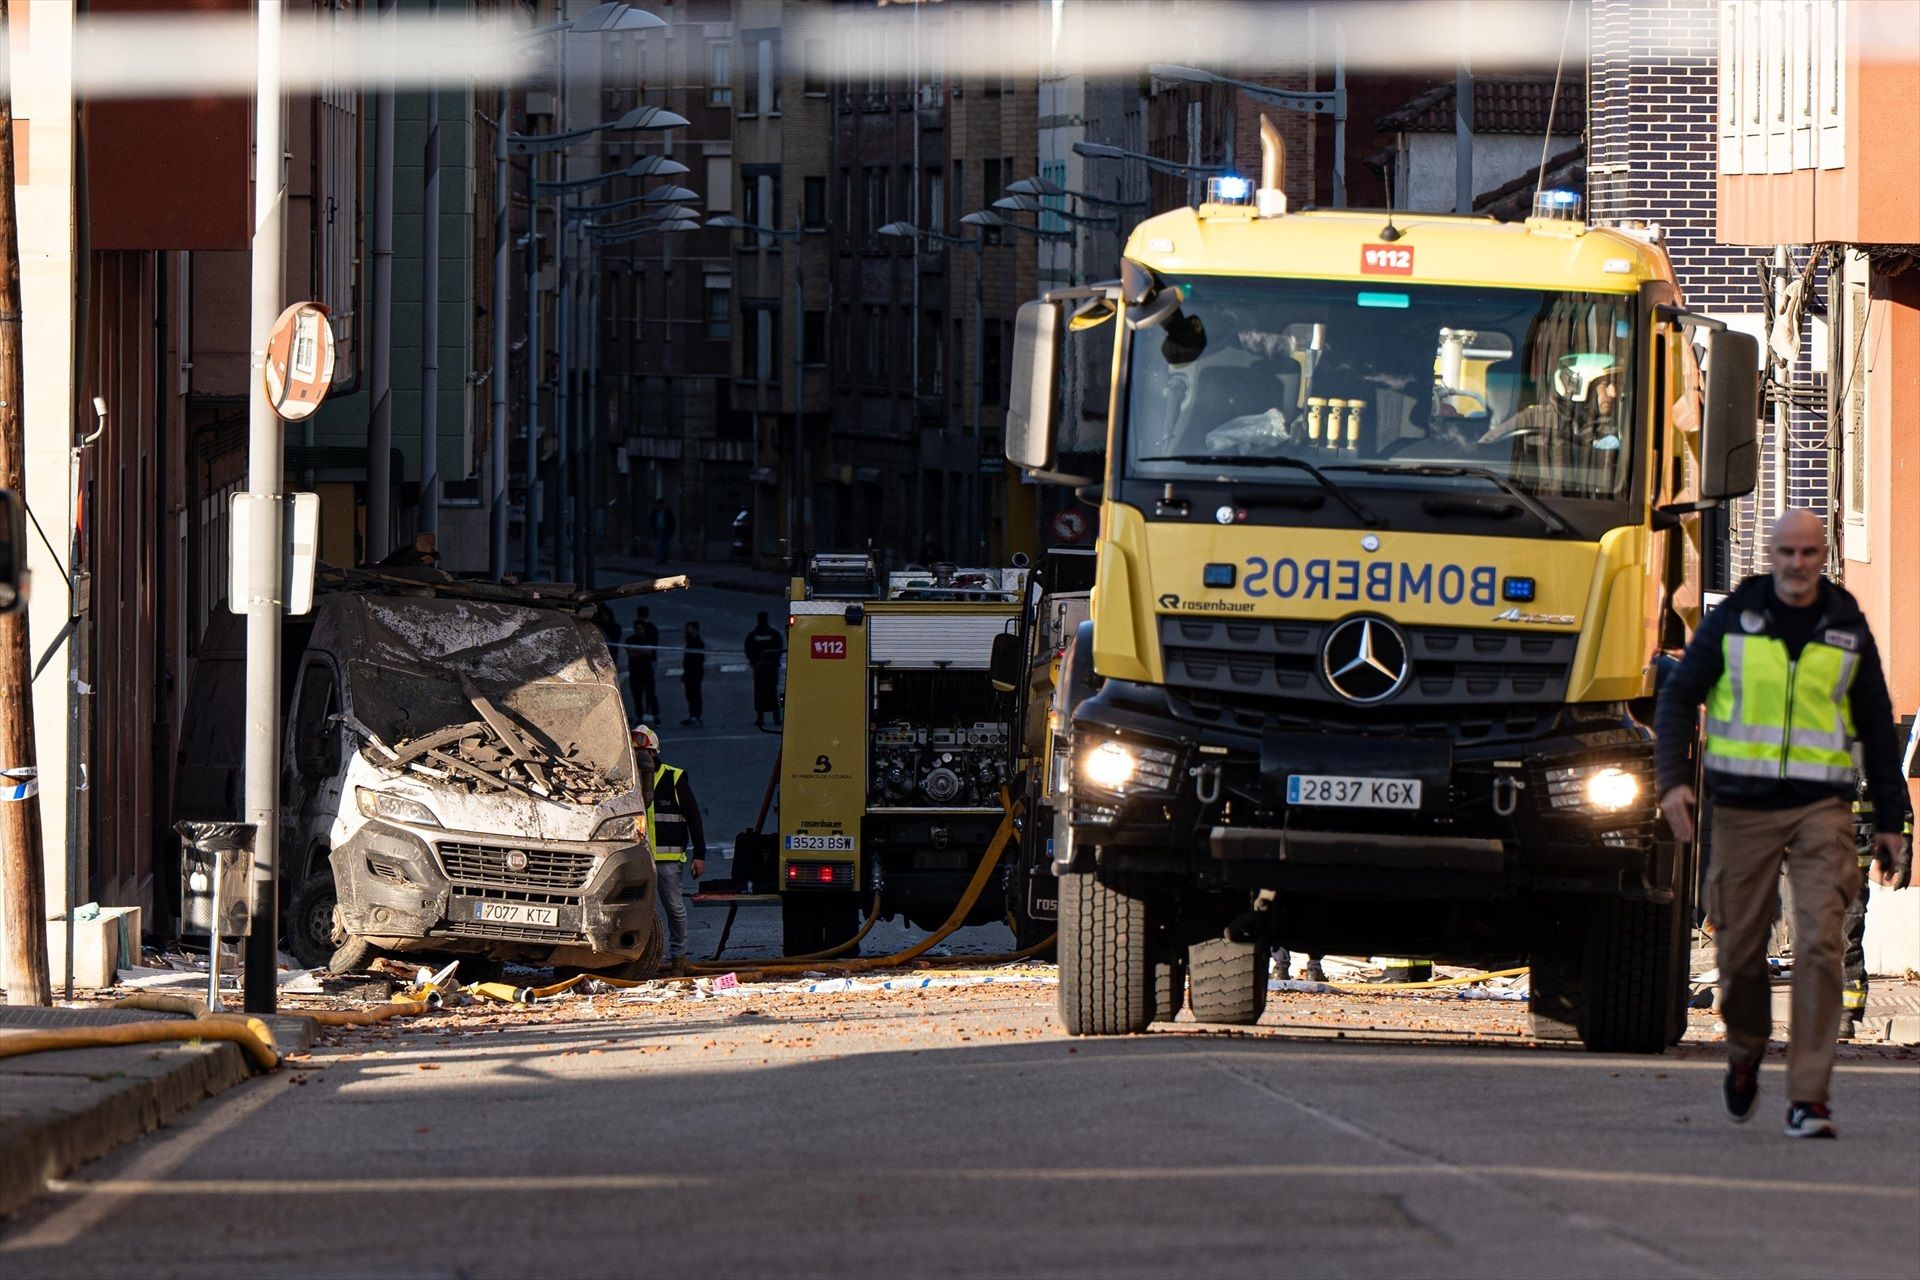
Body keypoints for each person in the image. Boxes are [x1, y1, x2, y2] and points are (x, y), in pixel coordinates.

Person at [1655, 509, 1911, 1138]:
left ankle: (1808, 1098)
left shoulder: (1845, 625)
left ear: (1824, 555)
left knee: (1823, 945)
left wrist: (1890, 817)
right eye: (1787, 553)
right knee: (1741, 950)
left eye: (1809, 553)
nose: (1798, 564)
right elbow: (1678, 697)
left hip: (1821, 807)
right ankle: (1745, 1050)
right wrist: (1673, 783)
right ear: (1770, 555)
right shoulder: (1735, 620)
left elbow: (1876, 723)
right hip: (1742, 808)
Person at [632, 724, 706, 973]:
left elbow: (694, 818)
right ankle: (637, 959)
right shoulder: (627, 782)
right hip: (635, 860)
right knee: (635, 912)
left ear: (653, 753)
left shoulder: (673, 778)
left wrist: (700, 856)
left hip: (667, 860)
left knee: (674, 908)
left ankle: (679, 958)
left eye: (643, 754)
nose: (639, 760)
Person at [744, 610, 784, 731]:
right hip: (771, 667)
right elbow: (779, 647)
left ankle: (760, 717)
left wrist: (753, 661)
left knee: (759, 692)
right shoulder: (774, 634)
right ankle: (776, 717)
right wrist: (775, 660)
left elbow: (748, 649)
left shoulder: (753, 635)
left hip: (759, 668)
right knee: (772, 691)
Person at [624, 608, 661, 723]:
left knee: (650, 693)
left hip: (646, 670)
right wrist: (641, 652)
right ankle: (639, 716)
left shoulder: (648, 639)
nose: (638, 630)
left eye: (640, 628)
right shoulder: (630, 639)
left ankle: (656, 716)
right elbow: (630, 652)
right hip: (635, 670)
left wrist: (638, 652)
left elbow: (649, 652)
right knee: (637, 695)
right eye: (637, 628)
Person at [679, 620, 706, 727]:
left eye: (688, 628)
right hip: (690, 672)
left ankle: (696, 716)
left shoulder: (698, 643)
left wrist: (690, 672)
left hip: (695, 673)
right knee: (690, 695)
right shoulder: (690, 641)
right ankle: (692, 715)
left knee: (695, 694)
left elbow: (697, 660)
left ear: (695, 629)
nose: (686, 631)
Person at [650, 499, 677, 565]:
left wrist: (672, 531)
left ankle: (664, 560)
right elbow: (652, 520)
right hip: (658, 531)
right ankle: (659, 560)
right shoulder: (655, 512)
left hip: (666, 531)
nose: (661, 506)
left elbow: (672, 522)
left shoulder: (668, 512)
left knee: (666, 546)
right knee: (659, 546)